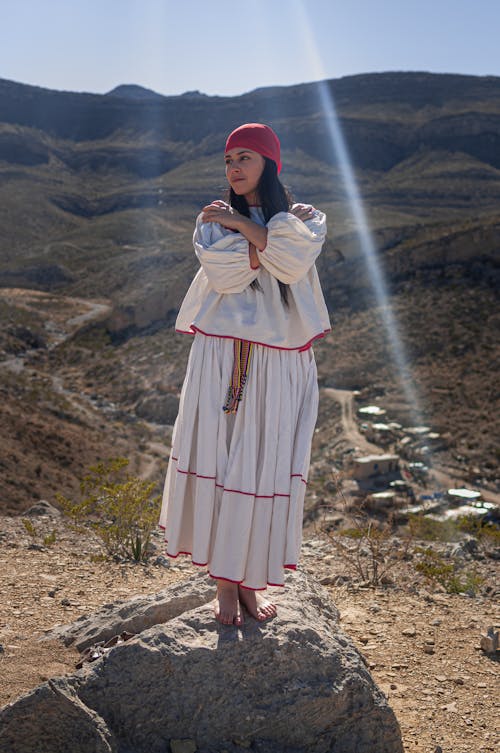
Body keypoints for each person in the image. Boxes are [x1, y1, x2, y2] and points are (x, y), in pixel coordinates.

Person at [159, 123, 330, 626]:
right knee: (223, 458)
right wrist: (266, 240)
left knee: (264, 466)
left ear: (269, 164)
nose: (234, 168)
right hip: (222, 356)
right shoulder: (214, 219)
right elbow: (227, 271)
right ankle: (225, 589)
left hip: (281, 362)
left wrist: (249, 231)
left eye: (245, 158)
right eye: (229, 159)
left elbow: (291, 263)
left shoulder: (305, 218)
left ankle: (250, 582)